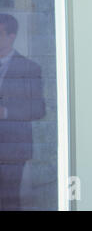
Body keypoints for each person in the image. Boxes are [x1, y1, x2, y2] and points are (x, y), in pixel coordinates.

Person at [0, 14, 46, 210]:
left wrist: (6, 112)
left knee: (9, 201)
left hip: (12, 149)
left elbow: (38, 109)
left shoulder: (29, 68)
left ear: (11, 37)